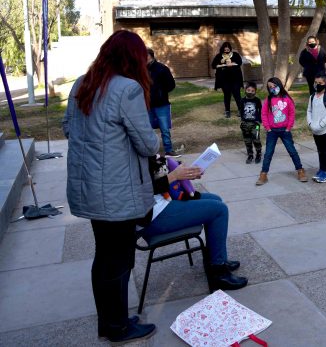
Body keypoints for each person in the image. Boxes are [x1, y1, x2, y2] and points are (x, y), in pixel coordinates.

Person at [63, 30, 161, 343]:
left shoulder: (83, 82)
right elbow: (147, 144)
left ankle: (108, 322)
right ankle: (119, 327)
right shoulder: (128, 89)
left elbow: (69, 127)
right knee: (119, 260)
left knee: (103, 257)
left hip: (89, 188)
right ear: (134, 57)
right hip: (116, 192)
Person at [143, 156, 247, 291]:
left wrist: (180, 170)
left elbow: (154, 172)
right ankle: (218, 272)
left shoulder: (137, 147)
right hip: (152, 216)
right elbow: (142, 190)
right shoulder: (129, 153)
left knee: (216, 199)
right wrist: (174, 175)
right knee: (219, 210)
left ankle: (215, 258)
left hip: (161, 202)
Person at [256, 77, 308, 186]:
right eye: (270, 87)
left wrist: (288, 127)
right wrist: (268, 128)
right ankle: (263, 174)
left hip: (285, 131)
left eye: (274, 86)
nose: (273, 89)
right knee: (268, 153)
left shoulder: (287, 99)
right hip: (272, 131)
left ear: (279, 85)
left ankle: (300, 170)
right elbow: (264, 114)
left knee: (292, 151)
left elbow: (291, 114)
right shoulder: (268, 100)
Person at [146, 48, 179, 157]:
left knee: (164, 129)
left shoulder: (162, 68)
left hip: (161, 104)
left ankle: (168, 150)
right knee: (148, 129)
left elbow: (171, 84)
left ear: (150, 56)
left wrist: (160, 92)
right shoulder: (141, 69)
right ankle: (151, 152)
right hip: (147, 105)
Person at [307, 72, 326, 183]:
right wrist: (310, 123)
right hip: (315, 130)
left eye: (320, 83)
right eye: (316, 82)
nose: (317, 85)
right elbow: (309, 110)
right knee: (320, 151)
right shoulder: (312, 97)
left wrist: (321, 124)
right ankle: (322, 169)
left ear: (325, 83)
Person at [212, 42, 244, 118]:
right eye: (225, 47)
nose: (226, 48)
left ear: (230, 47)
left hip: (235, 79)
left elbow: (239, 62)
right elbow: (213, 65)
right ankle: (227, 111)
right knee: (227, 95)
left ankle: (240, 110)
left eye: (228, 47)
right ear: (223, 48)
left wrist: (232, 63)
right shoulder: (219, 56)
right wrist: (221, 65)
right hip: (224, 80)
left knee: (237, 95)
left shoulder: (235, 54)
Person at [240, 81, 262, 164]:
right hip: (245, 124)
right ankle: (250, 154)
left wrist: (259, 120)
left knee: (256, 139)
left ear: (255, 91)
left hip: (255, 125)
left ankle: (258, 153)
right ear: (245, 90)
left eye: (252, 91)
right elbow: (241, 110)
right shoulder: (242, 100)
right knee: (247, 140)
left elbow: (260, 110)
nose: (250, 92)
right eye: (248, 90)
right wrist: (242, 120)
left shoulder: (257, 100)